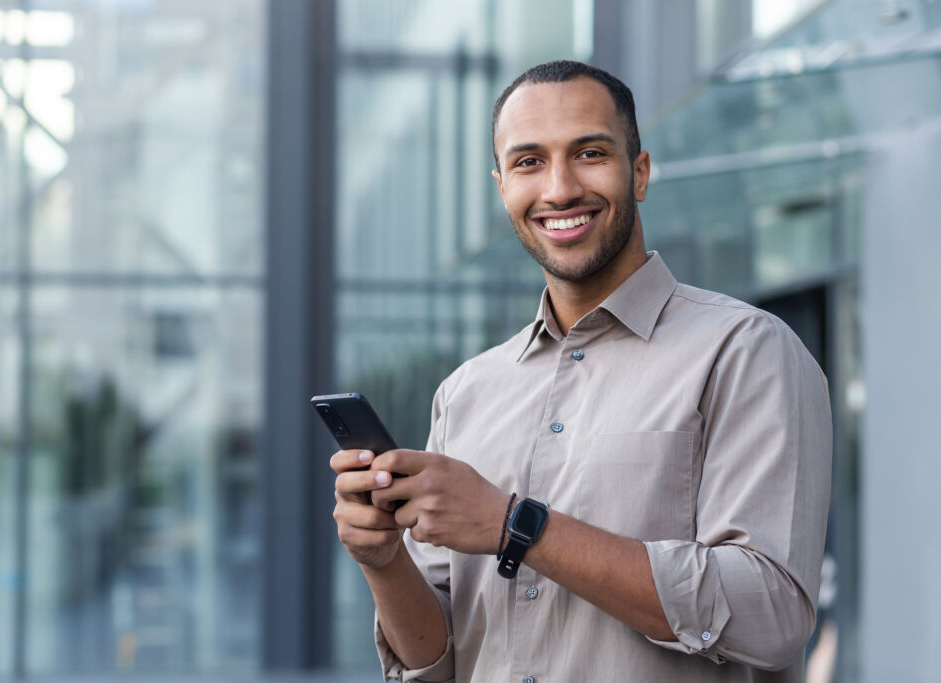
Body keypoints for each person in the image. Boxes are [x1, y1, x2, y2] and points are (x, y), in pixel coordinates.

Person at [330, 60, 831, 682]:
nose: (560, 189)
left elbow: (773, 616)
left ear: (640, 172)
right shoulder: (466, 391)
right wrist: (382, 563)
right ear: (502, 188)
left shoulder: (746, 351)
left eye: (590, 153)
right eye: (528, 161)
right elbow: (442, 659)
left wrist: (517, 527)